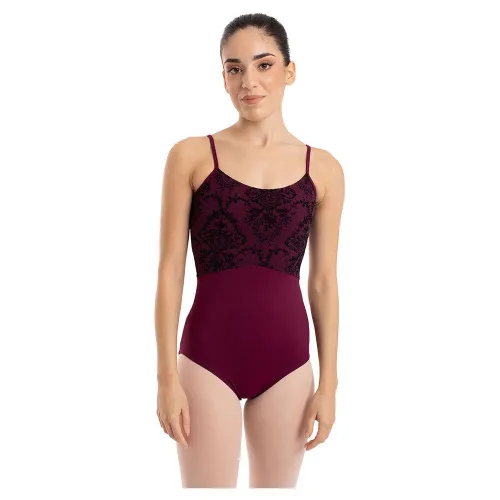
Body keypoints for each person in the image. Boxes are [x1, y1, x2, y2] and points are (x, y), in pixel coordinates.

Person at [154, 13, 344, 488]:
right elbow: (170, 272)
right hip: (206, 359)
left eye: (263, 65)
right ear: (223, 77)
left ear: (289, 71)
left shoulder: (323, 169)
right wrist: (165, 378)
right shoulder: (191, 156)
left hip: (288, 363)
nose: (249, 82)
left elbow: (323, 281)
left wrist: (329, 383)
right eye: (234, 68)